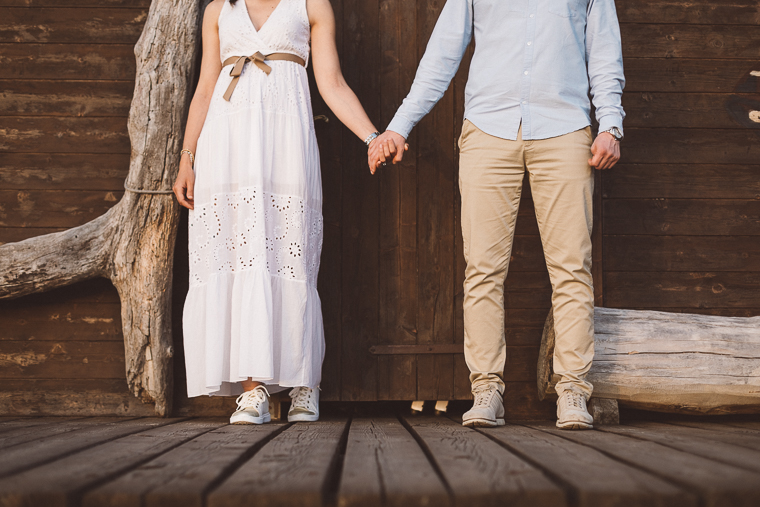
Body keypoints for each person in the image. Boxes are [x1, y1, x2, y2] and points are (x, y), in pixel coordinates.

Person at [370, 0, 625, 429]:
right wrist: (400, 125)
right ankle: (486, 389)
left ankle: (573, 391)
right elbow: (442, 53)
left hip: (565, 130)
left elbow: (604, 53)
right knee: (483, 269)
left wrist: (610, 124)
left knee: (571, 268)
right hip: (488, 130)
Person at [173, 0, 383, 424]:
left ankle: (306, 382)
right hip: (226, 148)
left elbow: (332, 83)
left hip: (285, 144)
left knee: (292, 258)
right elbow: (205, 87)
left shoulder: (309, 5)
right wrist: (186, 158)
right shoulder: (217, 11)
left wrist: (372, 137)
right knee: (240, 257)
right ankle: (255, 391)